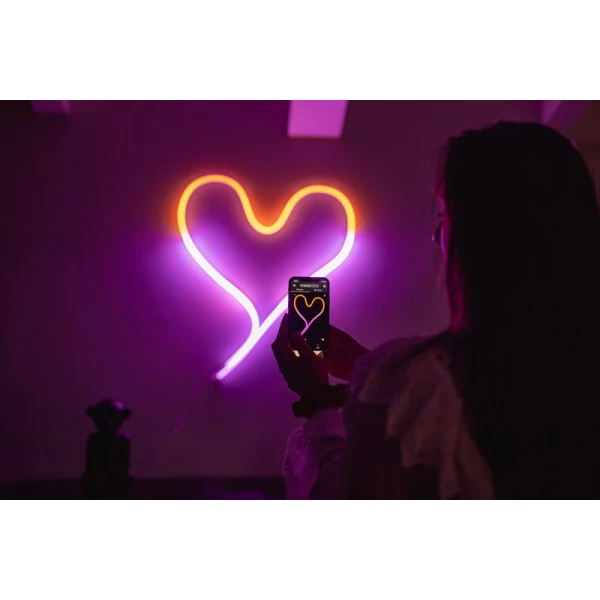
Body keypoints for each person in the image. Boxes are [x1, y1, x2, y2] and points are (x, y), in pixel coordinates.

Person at [272, 121, 600, 500]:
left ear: (481, 235)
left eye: (445, 217)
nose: (436, 236)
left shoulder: (418, 387)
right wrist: (371, 373)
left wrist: (318, 397)